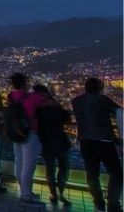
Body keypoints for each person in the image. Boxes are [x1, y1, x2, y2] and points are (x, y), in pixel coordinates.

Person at [71, 77, 123, 212]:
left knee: (92, 174)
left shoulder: (75, 101)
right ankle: (113, 204)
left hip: (85, 141)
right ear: (100, 88)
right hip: (104, 141)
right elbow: (120, 111)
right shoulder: (103, 99)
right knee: (116, 174)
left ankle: (99, 203)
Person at [8, 72, 49, 206]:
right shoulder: (32, 97)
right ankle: (26, 197)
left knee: (19, 162)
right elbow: (47, 102)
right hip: (29, 133)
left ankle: (25, 192)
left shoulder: (11, 96)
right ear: (24, 83)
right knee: (28, 166)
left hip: (16, 132)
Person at [32, 84, 71, 205]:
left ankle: (53, 194)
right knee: (64, 167)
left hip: (45, 143)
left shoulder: (36, 109)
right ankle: (60, 193)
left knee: (50, 169)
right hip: (60, 141)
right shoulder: (55, 106)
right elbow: (67, 118)